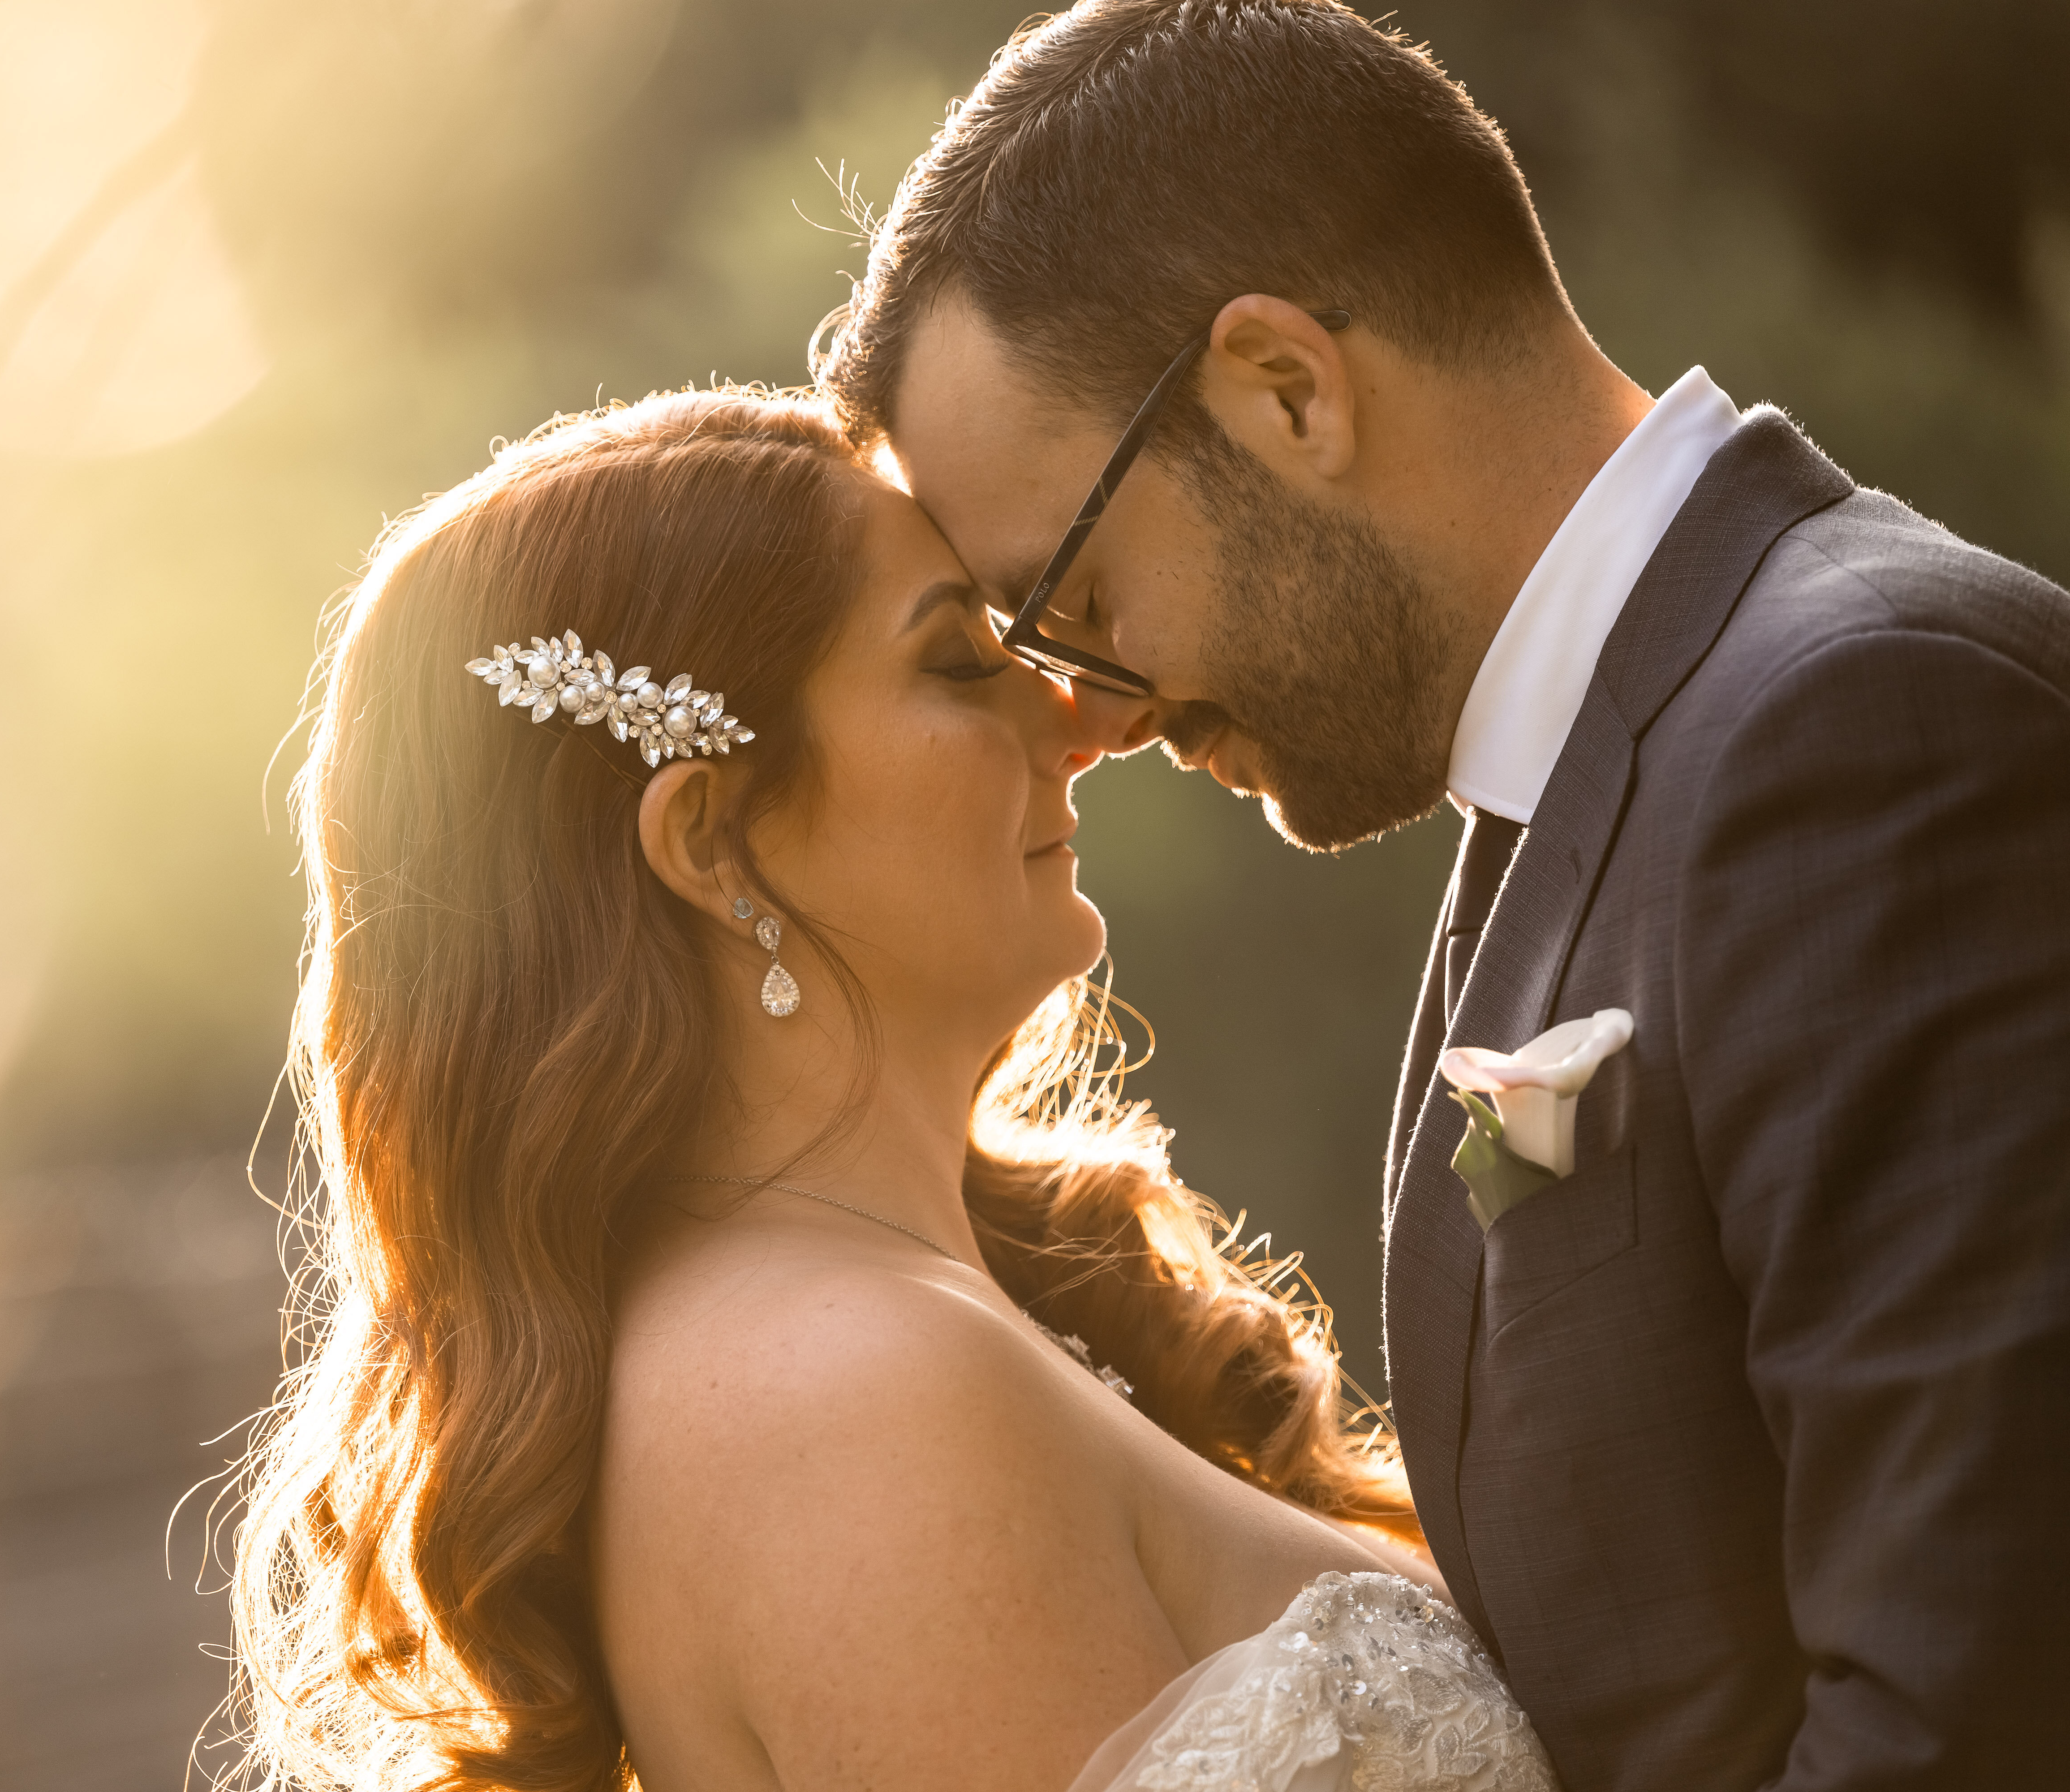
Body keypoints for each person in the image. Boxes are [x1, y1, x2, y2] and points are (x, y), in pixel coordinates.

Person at [813, 1, 2070, 1788]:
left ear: (1290, 391)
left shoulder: (1864, 731)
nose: (1091, 717)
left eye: (1075, 601)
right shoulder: (1607, 767)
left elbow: (1980, 1711)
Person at [228, 388, 1557, 1790]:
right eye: (959, 662)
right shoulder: (844, 1401)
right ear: (714, 839)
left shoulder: (878, 1327)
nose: (1080, 722)